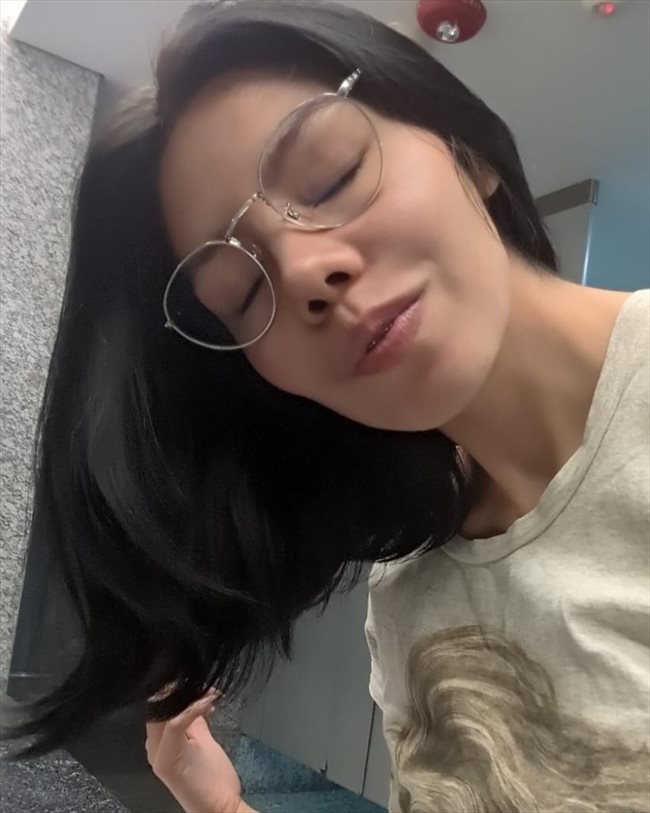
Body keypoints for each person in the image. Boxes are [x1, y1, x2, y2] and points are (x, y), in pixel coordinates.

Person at [2, 1, 648, 811]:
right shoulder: (409, 596)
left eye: (332, 177)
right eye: (244, 291)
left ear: (465, 145)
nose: (305, 273)